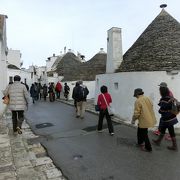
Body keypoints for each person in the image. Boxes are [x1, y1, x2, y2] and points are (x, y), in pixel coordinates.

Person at [153, 86, 178, 151]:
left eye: (160, 91)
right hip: (171, 117)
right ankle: (158, 141)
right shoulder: (170, 98)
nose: (159, 92)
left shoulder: (164, 99)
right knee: (163, 129)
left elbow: (162, 109)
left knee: (171, 131)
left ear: (162, 92)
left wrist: (159, 111)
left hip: (167, 118)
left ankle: (174, 146)